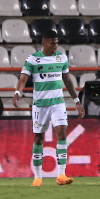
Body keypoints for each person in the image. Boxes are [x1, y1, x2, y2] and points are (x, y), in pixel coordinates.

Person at [13, 30, 85, 187]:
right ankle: (38, 177)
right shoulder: (33, 59)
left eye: (57, 43)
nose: (55, 46)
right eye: (52, 43)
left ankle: (61, 175)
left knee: (62, 133)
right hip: (40, 105)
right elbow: (23, 78)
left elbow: (67, 80)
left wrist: (77, 101)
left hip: (58, 103)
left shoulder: (62, 58)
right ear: (44, 43)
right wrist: (18, 92)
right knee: (39, 138)